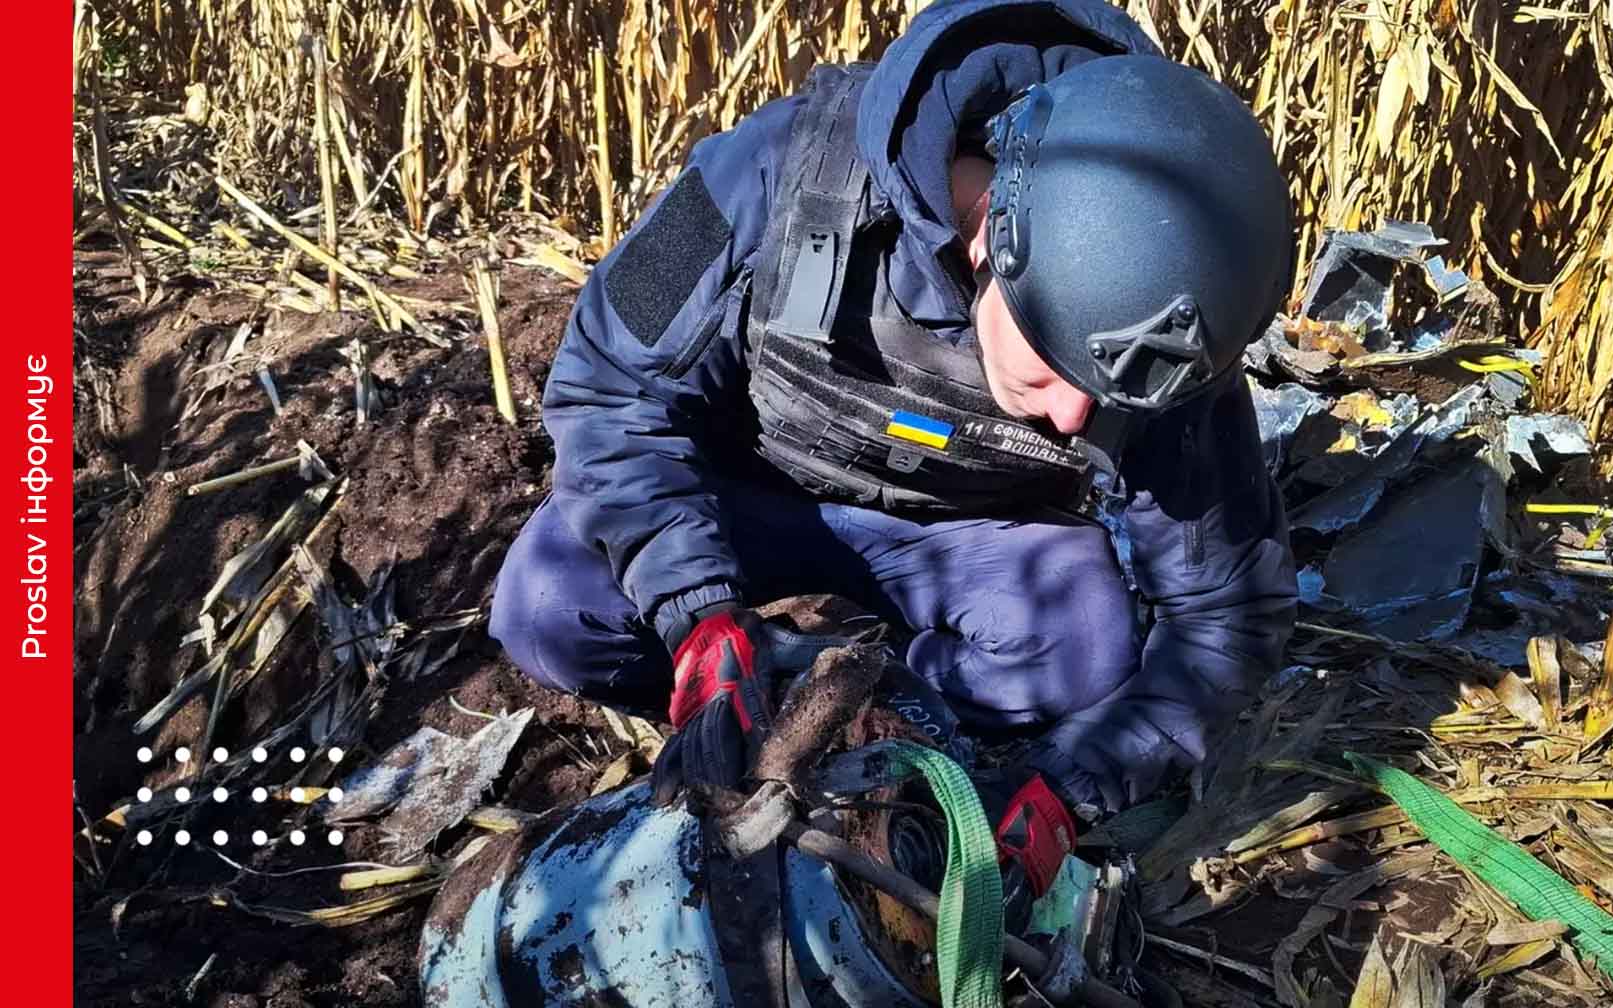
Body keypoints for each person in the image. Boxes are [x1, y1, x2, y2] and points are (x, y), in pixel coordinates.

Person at [488, 0, 1299, 898]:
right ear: (993, 231)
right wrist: (694, 612)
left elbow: (1227, 614)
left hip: (959, 542)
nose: (1073, 419)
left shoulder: (1156, 317)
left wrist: (1072, 790)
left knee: (1087, 644)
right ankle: (736, 681)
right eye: (1060, 366)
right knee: (550, 603)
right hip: (741, 498)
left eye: (1100, 398)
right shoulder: (767, 172)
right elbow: (608, 385)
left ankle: (867, 706)